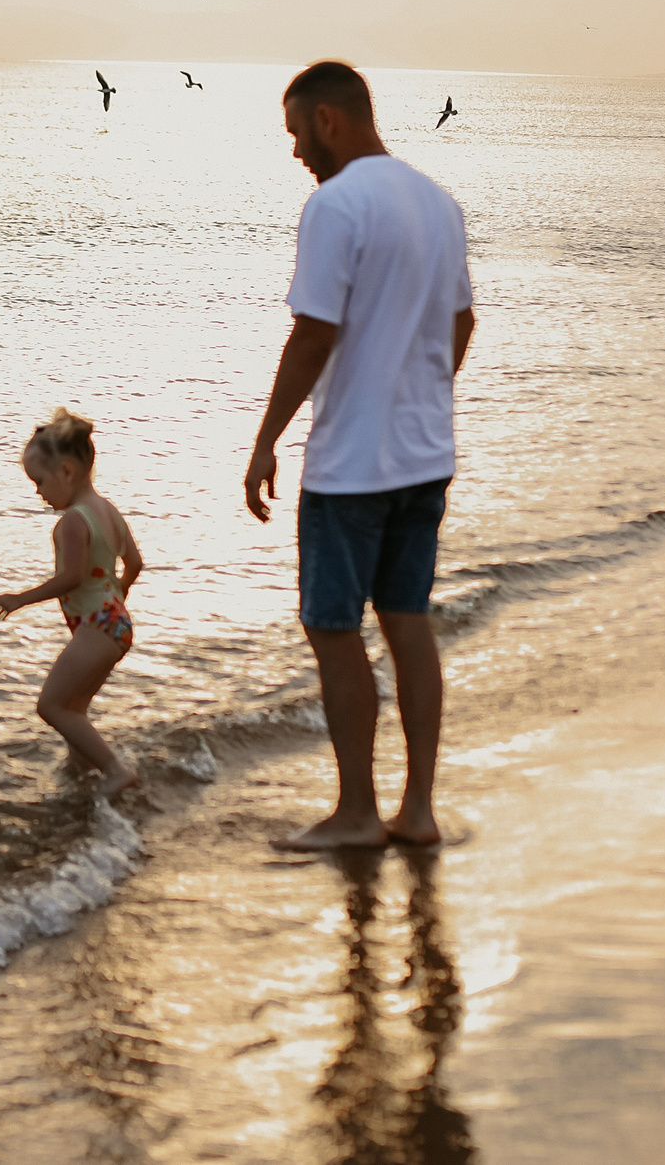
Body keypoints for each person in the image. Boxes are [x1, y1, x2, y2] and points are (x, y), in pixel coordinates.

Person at [244, 61, 475, 851]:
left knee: (333, 625)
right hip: (425, 453)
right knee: (409, 623)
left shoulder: (336, 205)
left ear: (328, 119)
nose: (298, 151)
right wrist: (420, 391)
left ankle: (353, 813)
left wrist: (267, 437)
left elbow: (314, 333)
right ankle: (417, 811)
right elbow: (462, 322)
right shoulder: (437, 203)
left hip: (353, 465)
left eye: (297, 132)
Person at [0, 409, 144, 796]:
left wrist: (19, 599)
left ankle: (115, 771)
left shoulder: (73, 521)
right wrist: (116, 596)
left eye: (39, 481)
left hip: (99, 625)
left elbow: (71, 578)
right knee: (74, 709)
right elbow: (135, 564)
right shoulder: (107, 510)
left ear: (68, 472)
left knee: (51, 707)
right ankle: (80, 773)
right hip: (115, 624)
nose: (37, 492)